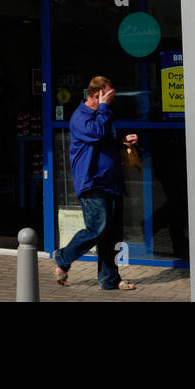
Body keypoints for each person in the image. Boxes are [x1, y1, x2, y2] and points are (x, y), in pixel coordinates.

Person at [53, 75, 139, 291]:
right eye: (109, 95)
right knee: (97, 229)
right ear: (95, 95)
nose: (112, 100)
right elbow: (96, 132)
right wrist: (103, 107)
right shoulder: (80, 117)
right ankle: (63, 257)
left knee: (111, 234)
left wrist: (123, 141)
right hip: (92, 182)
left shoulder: (103, 114)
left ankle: (109, 279)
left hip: (111, 182)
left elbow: (105, 139)